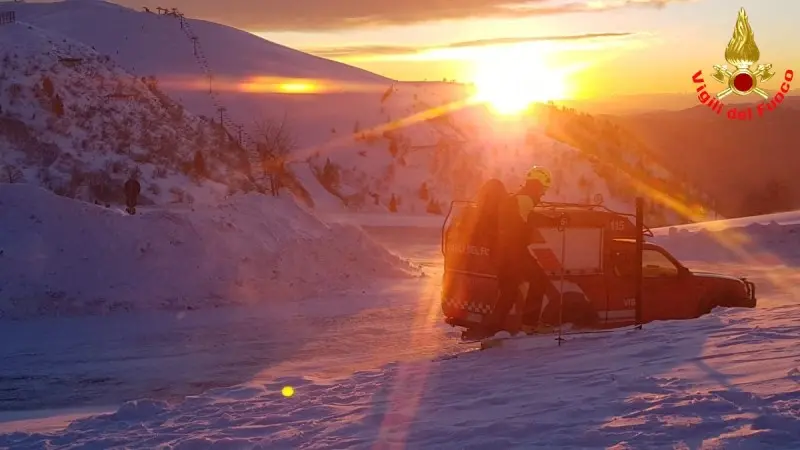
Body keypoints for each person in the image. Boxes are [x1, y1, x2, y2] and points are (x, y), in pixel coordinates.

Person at [479, 166, 553, 337]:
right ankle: (530, 324)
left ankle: (492, 330)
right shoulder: (526, 199)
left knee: (509, 291)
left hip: (501, 251)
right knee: (539, 280)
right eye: (543, 188)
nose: (543, 193)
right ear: (538, 185)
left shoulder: (518, 198)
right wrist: (554, 221)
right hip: (514, 251)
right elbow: (527, 220)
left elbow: (528, 217)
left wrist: (553, 220)